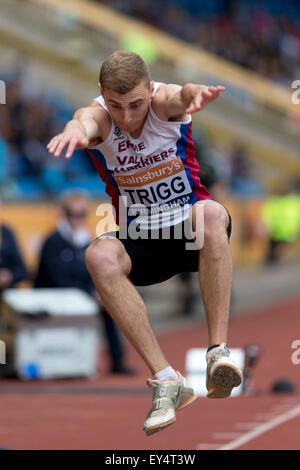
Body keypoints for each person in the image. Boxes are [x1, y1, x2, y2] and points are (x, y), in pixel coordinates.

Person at [47, 51, 242, 436]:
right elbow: (86, 121)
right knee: (99, 255)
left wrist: (195, 92)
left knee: (212, 213)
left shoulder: (163, 101)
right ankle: (167, 380)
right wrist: (76, 130)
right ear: (102, 93)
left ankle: (218, 350)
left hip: (190, 233)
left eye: (136, 104)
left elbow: (180, 95)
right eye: (117, 106)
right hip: (144, 241)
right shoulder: (101, 116)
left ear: (149, 91)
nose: (129, 117)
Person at [34, 191, 135, 375]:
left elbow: (91, 273)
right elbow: (56, 277)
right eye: (73, 214)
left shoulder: (86, 241)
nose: (78, 219)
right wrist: (88, 293)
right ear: (65, 215)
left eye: (82, 215)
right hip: (55, 296)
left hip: (80, 296)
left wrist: (98, 291)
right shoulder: (53, 242)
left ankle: (117, 360)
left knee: (111, 306)